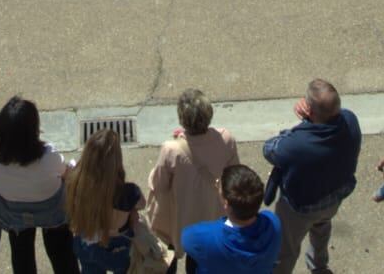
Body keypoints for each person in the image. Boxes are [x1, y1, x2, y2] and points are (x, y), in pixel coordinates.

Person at [262, 79, 362, 274]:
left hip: (300, 208)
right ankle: (319, 266)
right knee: (321, 230)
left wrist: (303, 123)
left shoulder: (298, 145)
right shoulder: (350, 121)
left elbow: (270, 149)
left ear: (310, 111)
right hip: (333, 198)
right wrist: (312, 118)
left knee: (286, 249)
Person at [0, 95, 79, 274]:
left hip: (14, 211)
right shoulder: (48, 156)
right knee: (62, 255)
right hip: (53, 210)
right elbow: (66, 174)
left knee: (21, 256)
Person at [145, 89, 240, 271]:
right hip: (212, 216)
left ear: (182, 119)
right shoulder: (226, 139)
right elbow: (234, 176)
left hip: (180, 219)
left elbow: (158, 185)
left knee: (168, 260)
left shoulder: (171, 149)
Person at [63, 129, 143, 273]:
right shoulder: (128, 192)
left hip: (86, 242)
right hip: (118, 247)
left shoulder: (74, 182)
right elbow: (142, 204)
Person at [179, 165, 280, 274]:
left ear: (226, 203)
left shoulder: (205, 237)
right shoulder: (273, 223)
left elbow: (186, 238)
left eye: (219, 185)